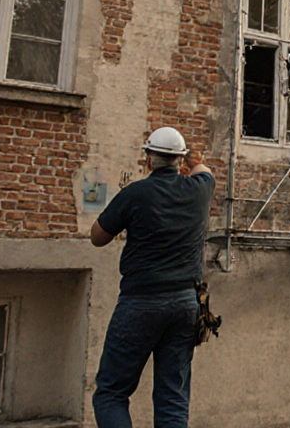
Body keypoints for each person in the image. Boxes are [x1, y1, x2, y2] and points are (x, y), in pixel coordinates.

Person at [91, 127, 216, 428]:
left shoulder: (135, 193)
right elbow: (204, 170)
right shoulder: (199, 190)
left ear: (148, 158)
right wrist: (192, 158)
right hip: (186, 304)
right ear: (180, 160)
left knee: (111, 393)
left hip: (141, 301)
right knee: (173, 398)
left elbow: (97, 237)